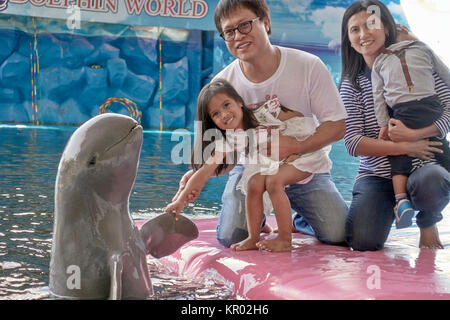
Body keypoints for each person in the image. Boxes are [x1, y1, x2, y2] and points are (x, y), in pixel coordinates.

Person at [173, 0, 349, 248]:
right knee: (230, 236)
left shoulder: (308, 66)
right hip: (254, 167)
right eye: (229, 32)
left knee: (338, 233)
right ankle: (260, 218)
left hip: (301, 165)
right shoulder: (223, 85)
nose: (238, 36)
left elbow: (338, 126)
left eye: (245, 25)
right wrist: (197, 177)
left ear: (265, 22)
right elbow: (226, 150)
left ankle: (301, 218)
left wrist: (295, 146)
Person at [166, 79, 333, 252]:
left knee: (273, 182)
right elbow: (206, 170)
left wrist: (295, 142)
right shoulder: (232, 137)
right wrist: (180, 201)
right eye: (215, 114)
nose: (224, 114)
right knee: (253, 183)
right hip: (274, 161)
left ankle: (285, 238)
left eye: (226, 105)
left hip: (302, 154)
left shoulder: (264, 113)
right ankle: (253, 237)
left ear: (239, 102)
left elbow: (298, 118)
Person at [340, 0, 450, 250]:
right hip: (377, 175)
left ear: (387, 28)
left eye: (371, 24)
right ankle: (394, 203)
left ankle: (428, 221)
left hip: (423, 168)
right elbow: (353, 143)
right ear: (348, 38)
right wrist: (405, 146)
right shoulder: (352, 85)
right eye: (354, 30)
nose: (364, 34)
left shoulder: (417, 65)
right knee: (362, 241)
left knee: (435, 178)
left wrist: (417, 134)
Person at [371, 38, 450, 229]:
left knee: (432, 157)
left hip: (422, 111)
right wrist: (384, 126)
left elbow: (378, 98)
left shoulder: (422, 49)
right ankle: (402, 202)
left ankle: (404, 202)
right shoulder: (380, 62)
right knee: (402, 156)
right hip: (410, 113)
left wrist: (413, 135)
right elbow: (378, 97)